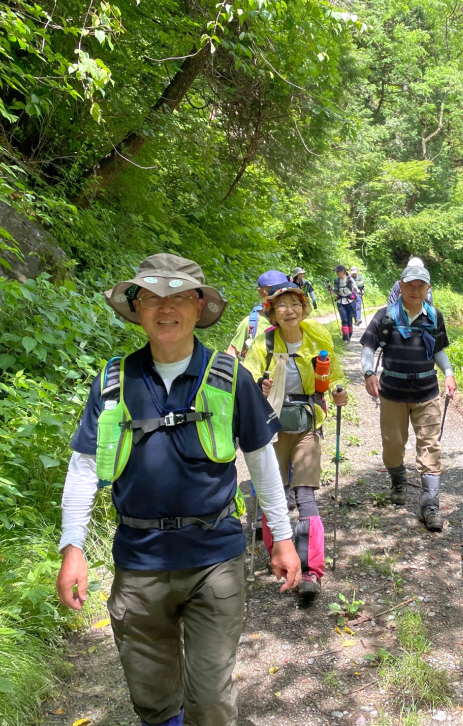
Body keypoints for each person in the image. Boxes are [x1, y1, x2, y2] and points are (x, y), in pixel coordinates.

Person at [56, 254, 301, 726]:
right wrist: (73, 547)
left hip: (215, 558)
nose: (165, 309)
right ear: (136, 307)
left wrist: (284, 537)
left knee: (210, 698)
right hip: (139, 559)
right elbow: (84, 467)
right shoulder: (112, 383)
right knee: (153, 700)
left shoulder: (231, 379)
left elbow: (263, 461)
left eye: (179, 297)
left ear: (198, 306)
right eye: (151, 297)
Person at [242, 282, 347, 598]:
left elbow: (335, 374)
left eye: (295, 304)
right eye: (282, 305)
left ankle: (312, 571)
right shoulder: (264, 343)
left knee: (305, 495)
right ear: (272, 312)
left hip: (306, 424)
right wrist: (258, 386)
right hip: (271, 427)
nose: (290, 310)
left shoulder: (317, 337)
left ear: (304, 309)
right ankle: (282, 562)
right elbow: (247, 378)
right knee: (273, 495)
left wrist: (339, 390)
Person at [360, 263, 456, 532]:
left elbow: (438, 350)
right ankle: (398, 481)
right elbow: (368, 348)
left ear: (428, 289)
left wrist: (448, 373)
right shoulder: (385, 316)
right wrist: (369, 373)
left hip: (427, 392)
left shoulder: (434, 316)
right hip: (392, 392)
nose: (415, 290)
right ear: (400, 286)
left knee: (430, 445)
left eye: (421, 286)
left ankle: (430, 505)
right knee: (393, 445)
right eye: (410, 285)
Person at [225, 270, 288, 359]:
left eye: (284, 288)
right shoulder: (251, 323)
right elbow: (231, 354)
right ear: (261, 292)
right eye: (274, 289)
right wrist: (244, 370)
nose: (280, 292)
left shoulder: (293, 319)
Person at [332, 265, 359, 343]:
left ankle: (349, 335)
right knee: (344, 319)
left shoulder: (350, 280)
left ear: (343, 271)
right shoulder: (336, 281)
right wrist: (331, 290)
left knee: (349, 320)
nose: (337, 273)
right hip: (341, 302)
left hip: (350, 302)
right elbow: (336, 291)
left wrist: (358, 292)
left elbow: (355, 289)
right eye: (336, 271)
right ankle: (345, 337)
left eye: (338, 271)